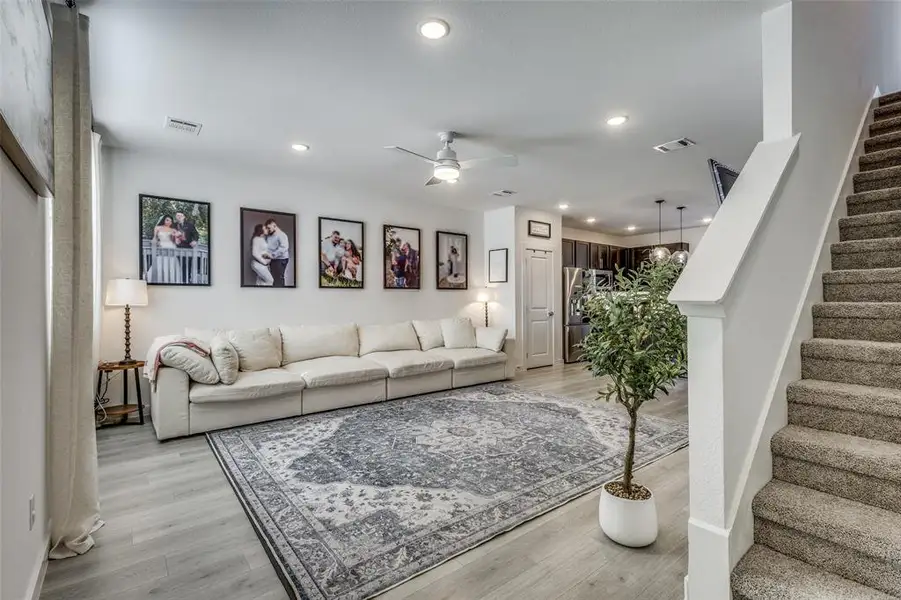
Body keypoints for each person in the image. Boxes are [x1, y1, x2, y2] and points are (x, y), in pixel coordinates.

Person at [147, 215, 183, 284]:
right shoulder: (157, 228)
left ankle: (171, 281)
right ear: (164, 220)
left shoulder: (173, 230)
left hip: (171, 247)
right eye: (167, 220)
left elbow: (176, 241)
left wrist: (177, 238)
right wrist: (154, 242)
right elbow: (155, 238)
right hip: (162, 246)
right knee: (161, 262)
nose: (169, 222)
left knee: (171, 263)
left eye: (170, 221)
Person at [174, 211, 200, 284]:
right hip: (177, 248)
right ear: (176, 217)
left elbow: (196, 234)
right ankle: (180, 280)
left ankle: (187, 280)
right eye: (177, 215)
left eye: (180, 215)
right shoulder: (173, 225)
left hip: (188, 248)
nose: (179, 217)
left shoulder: (190, 225)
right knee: (180, 265)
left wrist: (195, 240)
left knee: (187, 264)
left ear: (184, 216)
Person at [264, 218, 290, 287]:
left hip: (281, 260)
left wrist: (272, 255)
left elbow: (284, 248)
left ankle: (281, 295)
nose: (268, 230)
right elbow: (268, 247)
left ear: (274, 226)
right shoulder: (269, 236)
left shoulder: (281, 235)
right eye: (267, 228)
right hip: (273, 260)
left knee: (278, 279)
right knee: (274, 279)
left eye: (269, 228)